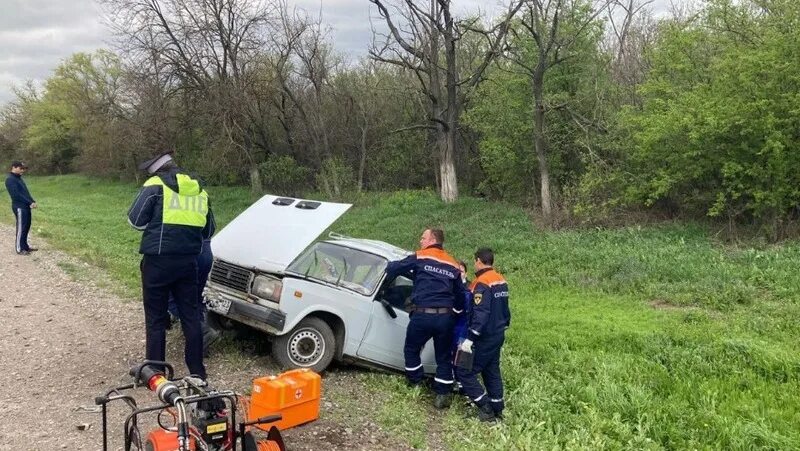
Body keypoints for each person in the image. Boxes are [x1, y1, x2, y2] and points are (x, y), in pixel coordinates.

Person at [127, 150, 215, 380]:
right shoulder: (199, 189)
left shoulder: (154, 185)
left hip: (158, 260)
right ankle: (197, 370)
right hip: (189, 261)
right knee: (190, 314)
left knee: (156, 317)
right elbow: (208, 230)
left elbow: (135, 221)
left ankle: (156, 370)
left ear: (155, 171)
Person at [385, 228, 465, 409]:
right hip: (445, 318)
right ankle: (442, 395)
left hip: (422, 315)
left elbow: (396, 268)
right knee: (443, 357)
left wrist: (388, 267)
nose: (420, 241)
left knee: (412, 349)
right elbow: (460, 293)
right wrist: (457, 311)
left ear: (432, 239)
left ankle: (415, 383)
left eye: (423, 238)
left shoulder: (421, 256)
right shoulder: (452, 264)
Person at [456, 248, 511, 422]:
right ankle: (497, 407)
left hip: (484, 336)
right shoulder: (500, 279)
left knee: (463, 371)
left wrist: (470, 339)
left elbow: (481, 313)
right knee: (491, 370)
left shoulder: (482, 283)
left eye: (475, 261)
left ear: (479, 261)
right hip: (498, 333)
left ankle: (485, 406)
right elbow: (504, 308)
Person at [5, 161, 38, 255]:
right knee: (21, 228)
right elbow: (16, 195)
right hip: (19, 207)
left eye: (23, 168)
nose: (22, 170)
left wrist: (32, 201)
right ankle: (19, 248)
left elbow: (25, 193)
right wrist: (29, 202)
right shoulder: (10, 179)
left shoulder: (19, 179)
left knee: (26, 226)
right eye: (21, 168)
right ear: (14, 167)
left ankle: (25, 247)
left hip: (26, 206)